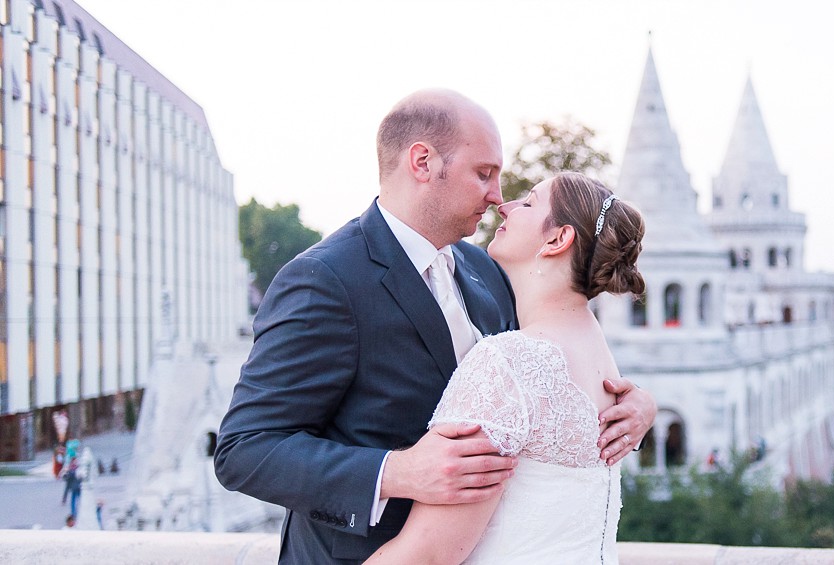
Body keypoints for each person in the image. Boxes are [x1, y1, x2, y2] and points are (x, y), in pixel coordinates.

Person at [214, 89, 656, 564]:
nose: (497, 196)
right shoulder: (325, 280)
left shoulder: (486, 270)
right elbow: (244, 449)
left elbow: (538, 376)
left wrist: (629, 405)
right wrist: (396, 472)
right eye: (484, 173)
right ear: (422, 162)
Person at [366, 172, 646, 564]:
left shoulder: (508, 361)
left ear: (557, 239)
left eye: (528, 203)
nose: (506, 206)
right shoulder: (599, 353)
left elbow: (428, 553)